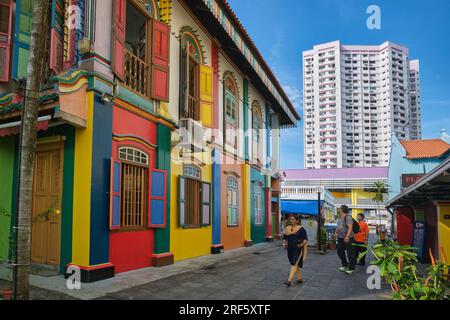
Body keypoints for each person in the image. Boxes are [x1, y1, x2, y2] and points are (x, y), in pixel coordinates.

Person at [282, 214, 308, 286]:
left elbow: (305, 239)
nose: (291, 220)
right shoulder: (287, 228)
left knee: (294, 263)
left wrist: (302, 244)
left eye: (293, 219)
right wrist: (284, 243)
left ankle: (289, 280)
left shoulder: (301, 229)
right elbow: (285, 237)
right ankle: (300, 278)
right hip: (290, 249)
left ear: (297, 221)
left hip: (298, 248)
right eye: (290, 219)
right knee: (294, 263)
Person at [334, 205, 356, 275]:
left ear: (342, 209)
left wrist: (347, 236)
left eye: (339, 208)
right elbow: (338, 226)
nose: (338, 209)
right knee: (340, 251)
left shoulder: (348, 217)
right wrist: (335, 233)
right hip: (340, 237)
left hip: (348, 238)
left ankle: (351, 268)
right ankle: (345, 265)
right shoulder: (340, 218)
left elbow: (350, 227)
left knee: (350, 253)